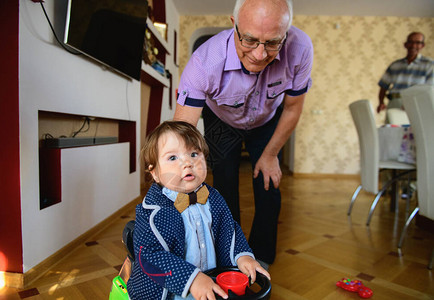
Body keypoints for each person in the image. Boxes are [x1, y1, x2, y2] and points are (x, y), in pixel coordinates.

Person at [174, 0, 313, 269]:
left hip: (268, 121)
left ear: (286, 32)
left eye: (273, 42)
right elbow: (182, 133)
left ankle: (260, 258)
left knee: (268, 184)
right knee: (224, 184)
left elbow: (293, 107)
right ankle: (230, 255)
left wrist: (271, 154)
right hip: (222, 121)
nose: (260, 54)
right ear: (233, 24)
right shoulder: (205, 61)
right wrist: (177, 178)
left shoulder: (301, 48)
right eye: (249, 40)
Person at [126, 121, 270, 300]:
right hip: (172, 288)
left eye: (194, 154)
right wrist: (191, 279)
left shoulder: (214, 197)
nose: (187, 162)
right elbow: (149, 255)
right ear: (154, 173)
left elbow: (228, 230)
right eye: (173, 158)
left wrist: (242, 257)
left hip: (211, 278)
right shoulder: (152, 211)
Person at [377, 32, 434, 117]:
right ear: (405, 45)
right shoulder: (395, 65)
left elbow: (428, 89)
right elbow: (383, 85)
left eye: (417, 43)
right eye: (410, 42)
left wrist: (411, 103)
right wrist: (381, 102)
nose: (413, 45)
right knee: (392, 129)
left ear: (422, 45)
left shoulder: (429, 64)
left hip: (416, 104)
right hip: (394, 103)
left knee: (414, 129)